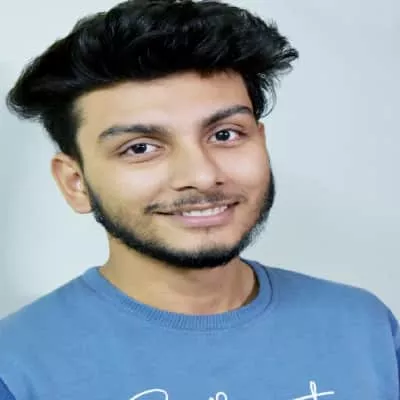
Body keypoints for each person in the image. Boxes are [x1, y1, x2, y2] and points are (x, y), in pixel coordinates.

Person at [0, 0, 399, 398]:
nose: (202, 176)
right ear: (76, 183)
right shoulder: (17, 367)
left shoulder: (366, 328)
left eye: (225, 134)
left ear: (260, 141)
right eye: (140, 148)